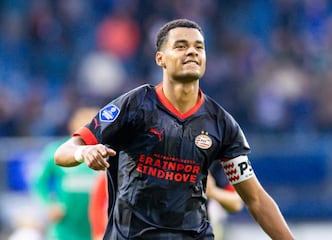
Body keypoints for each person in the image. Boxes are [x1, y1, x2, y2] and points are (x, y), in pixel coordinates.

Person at [54, 18, 295, 239]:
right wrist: (83, 152)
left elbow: (255, 199)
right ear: (160, 58)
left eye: (199, 47)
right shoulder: (134, 106)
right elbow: (63, 153)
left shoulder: (221, 124)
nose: (192, 51)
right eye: (180, 46)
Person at [88, 160, 243, 240]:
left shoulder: (215, 153)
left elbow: (236, 203)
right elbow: (103, 196)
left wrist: (213, 191)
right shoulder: (140, 145)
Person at [32, 107, 100, 240]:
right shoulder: (57, 151)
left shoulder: (105, 153)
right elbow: (38, 182)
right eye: (84, 123)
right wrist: (50, 204)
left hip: (93, 229)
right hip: (64, 228)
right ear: (73, 124)